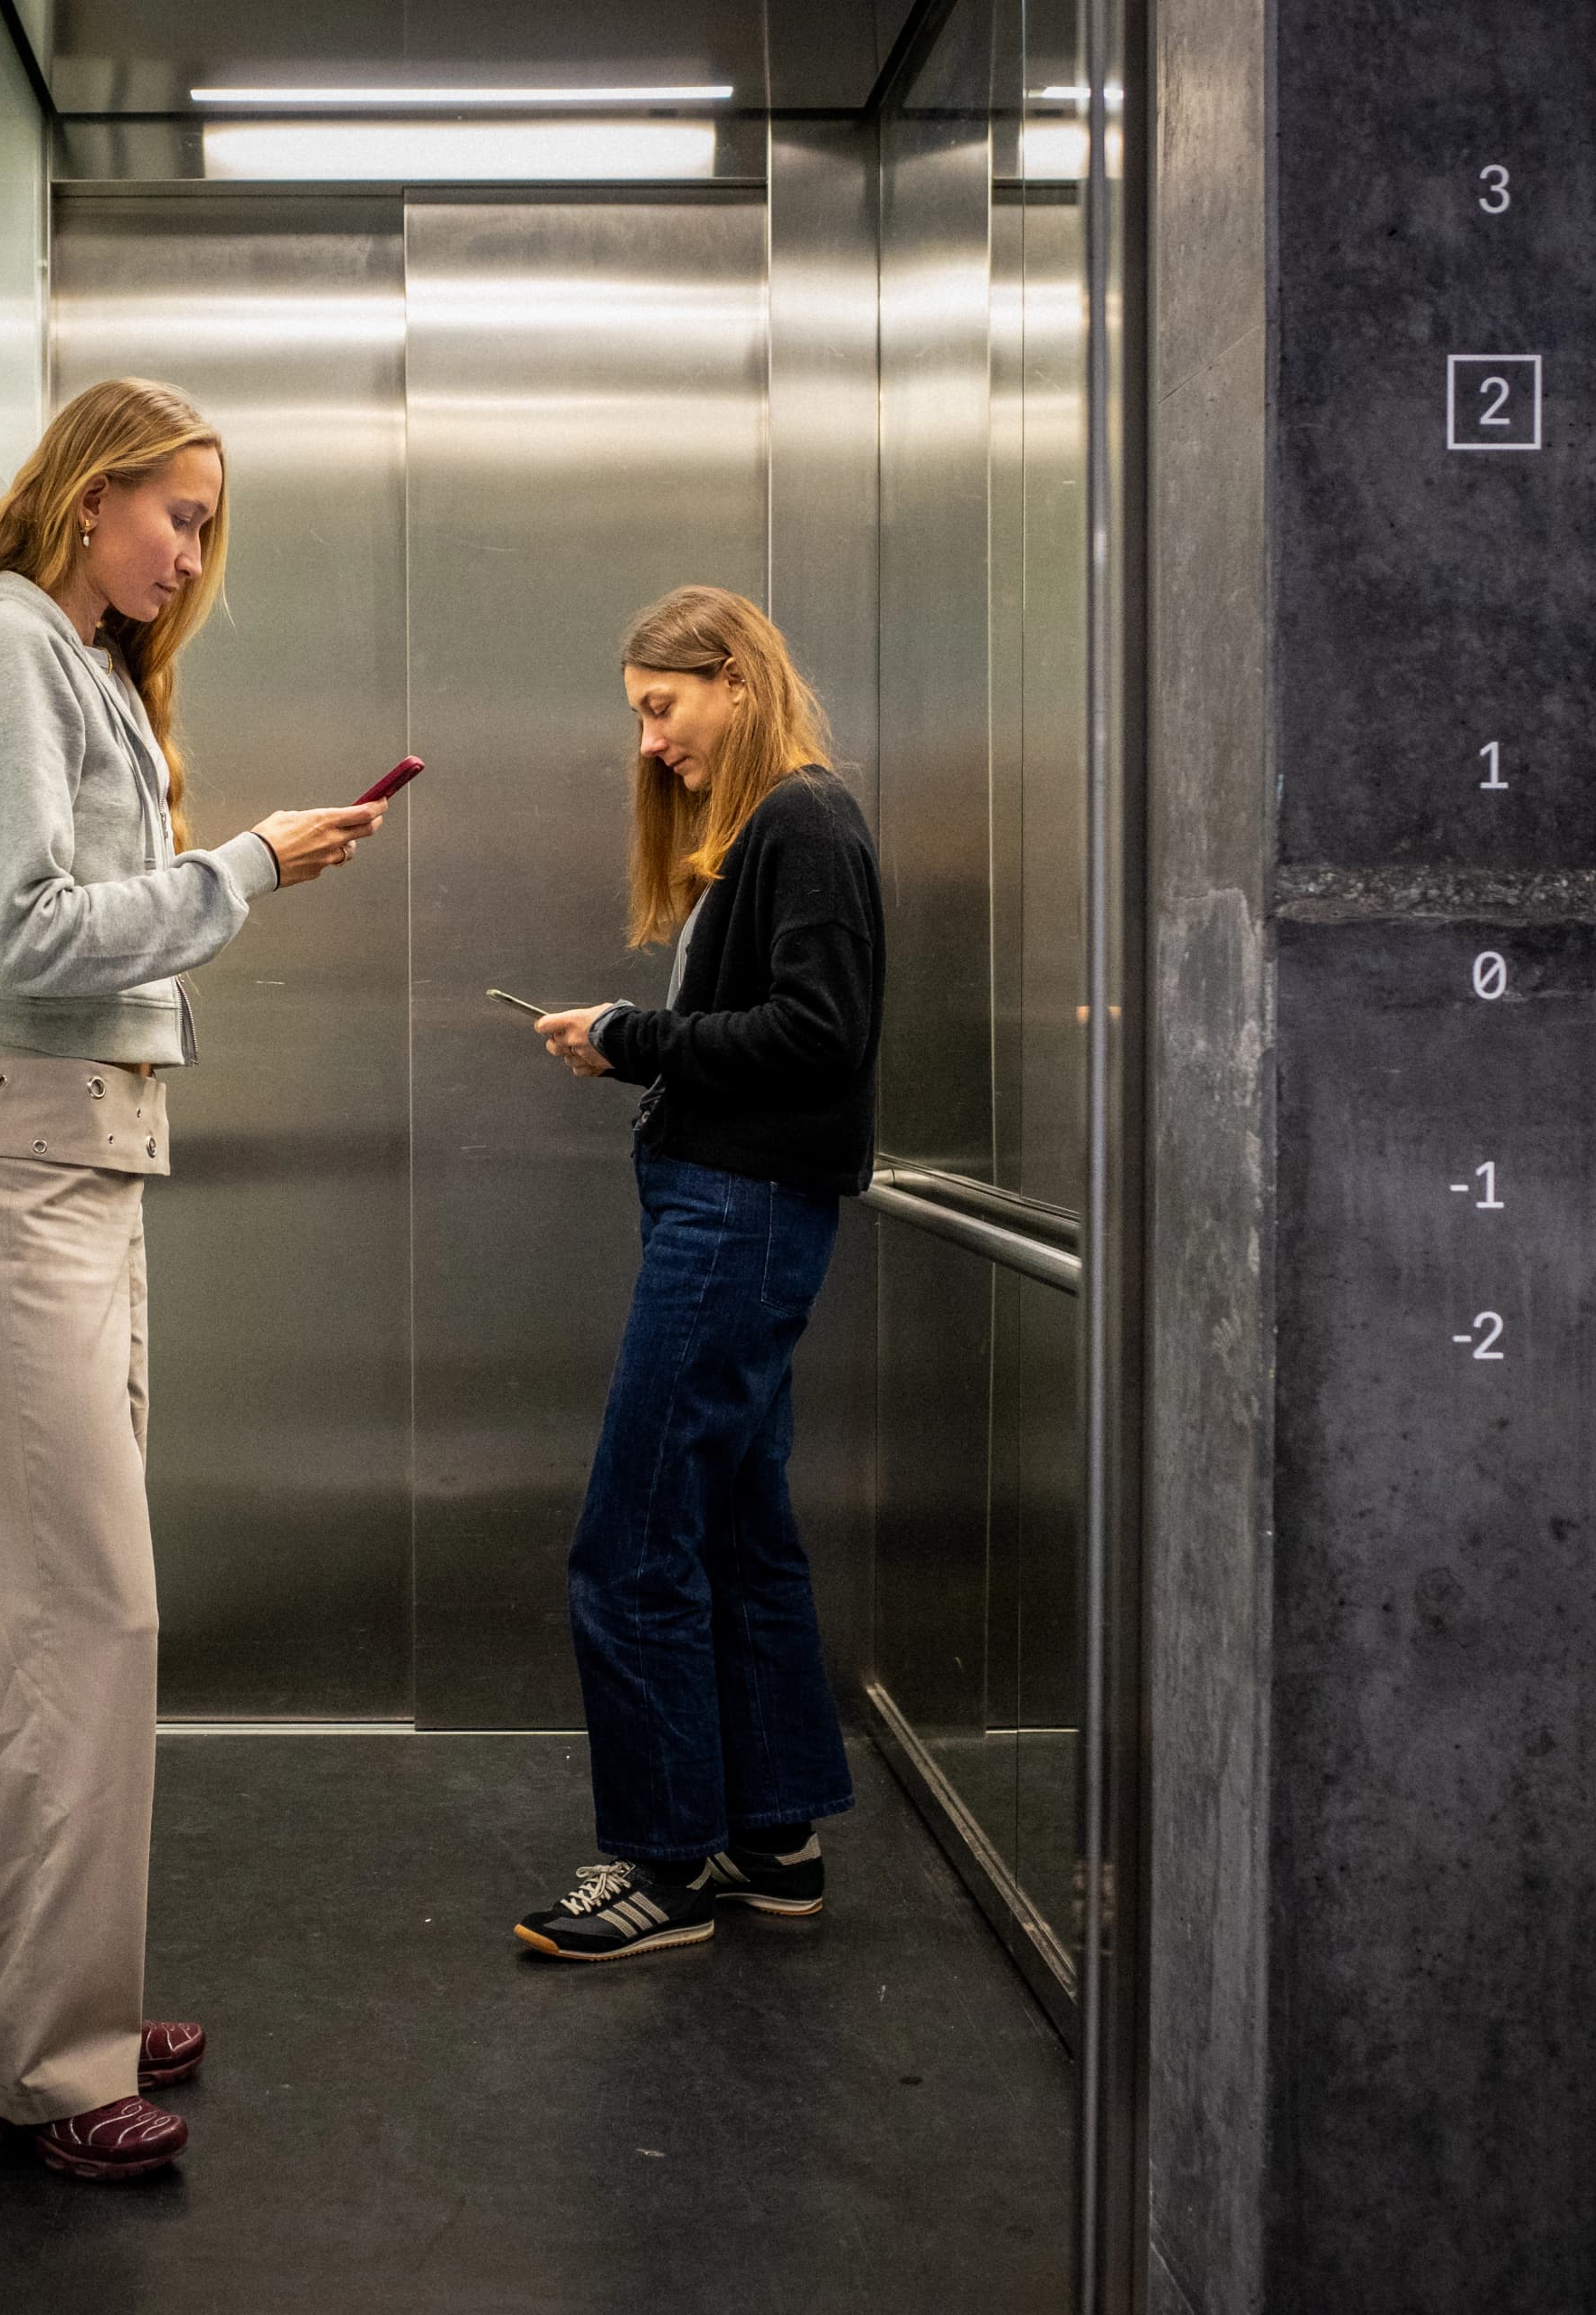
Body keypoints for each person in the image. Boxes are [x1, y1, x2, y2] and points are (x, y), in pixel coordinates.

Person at [0, 375, 385, 2173]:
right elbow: (22, 931)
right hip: (39, 1173)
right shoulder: (8, 647)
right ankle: (36, 2061)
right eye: (177, 512)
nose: (191, 551)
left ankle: (48, 1996)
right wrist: (243, 866)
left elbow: (0, 933)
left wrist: (229, 868)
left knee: (69, 1622)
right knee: (76, 1620)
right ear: (90, 495)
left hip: (82, 1167)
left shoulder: (63, 656)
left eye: (203, 521)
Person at [511, 584, 884, 1962]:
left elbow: (818, 1033)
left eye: (662, 708)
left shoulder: (804, 819)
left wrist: (638, 1036)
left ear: (733, 679)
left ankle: (662, 1865)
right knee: (733, 1527)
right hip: (726, 1201)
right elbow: (779, 1027)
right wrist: (641, 1040)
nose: (653, 742)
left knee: (637, 1532)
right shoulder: (772, 831)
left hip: (738, 1214)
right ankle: (774, 1838)